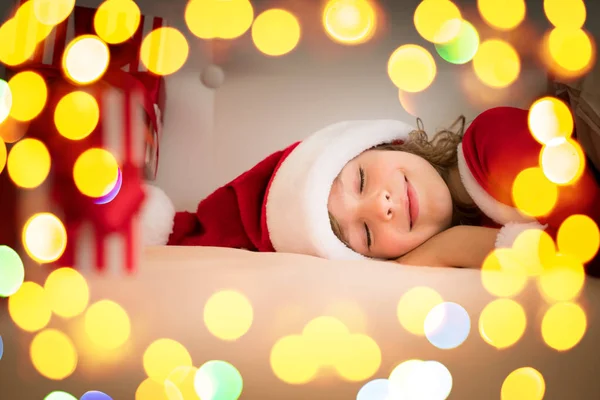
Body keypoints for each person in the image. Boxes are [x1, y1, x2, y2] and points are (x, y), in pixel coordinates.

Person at [164, 106, 600, 276]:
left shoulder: (492, 143)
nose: (382, 205)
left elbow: (583, 248)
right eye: (367, 235)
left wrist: (457, 246)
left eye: (361, 180)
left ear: (387, 145)